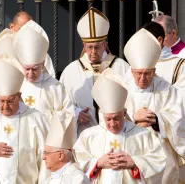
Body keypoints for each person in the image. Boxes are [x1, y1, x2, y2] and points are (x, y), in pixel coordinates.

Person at [74, 73, 166, 183]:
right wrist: (97, 163)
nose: (112, 124)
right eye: (108, 119)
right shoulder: (89, 135)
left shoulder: (143, 135)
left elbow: (159, 159)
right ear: (102, 115)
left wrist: (134, 162)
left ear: (124, 113)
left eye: (116, 118)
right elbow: (76, 162)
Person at [123, 28, 185, 183]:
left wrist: (157, 121)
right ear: (131, 71)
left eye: (147, 73)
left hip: (160, 150)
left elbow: (178, 118)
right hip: (129, 145)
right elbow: (108, 117)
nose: (142, 78)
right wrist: (132, 117)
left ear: (154, 71)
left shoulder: (166, 89)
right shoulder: (122, 88)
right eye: (138, 73)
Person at [59, 7, 129, 136]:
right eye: (89, 47)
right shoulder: (71, 71)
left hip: (116, 134)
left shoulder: (121, 67)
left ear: (105, 45)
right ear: (83, 45)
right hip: (84, 134)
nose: (93, 52)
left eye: (97, 47)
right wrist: (76, 113)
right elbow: (61, 103)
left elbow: (132, 99)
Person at [12, 22, 74, 125]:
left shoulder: (55, 87)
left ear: (43, 64)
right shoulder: (15, 85)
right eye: (27, 69)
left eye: (35, 69)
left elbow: (68, 114)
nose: (31, 74)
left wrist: (59, 117)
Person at [43, 112, 90, 184]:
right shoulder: (48, 181)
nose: (43, 157)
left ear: (60, 155)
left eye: (47, 153)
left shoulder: (78, 179)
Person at [141, 21, 185, 89]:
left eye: (146, 41)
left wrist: (156, 80)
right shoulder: (137, 63)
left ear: (159, 40)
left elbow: (181, 96)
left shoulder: (180, 65)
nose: (142, 46)